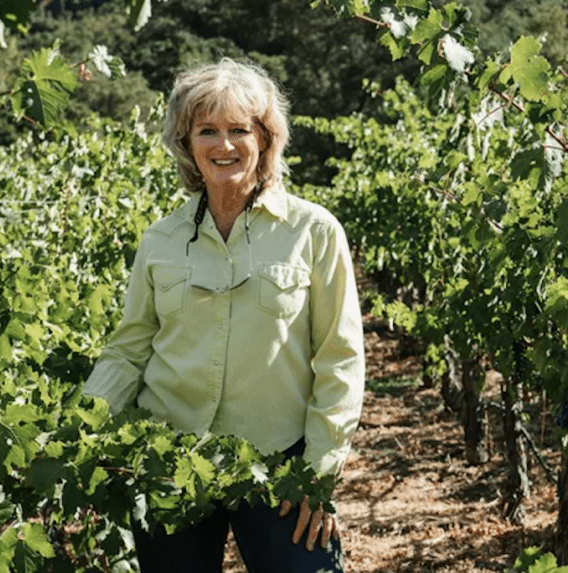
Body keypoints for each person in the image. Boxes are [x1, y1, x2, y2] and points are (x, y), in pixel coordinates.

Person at [82, 58, 365, 573]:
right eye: (207, 130)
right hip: (169, 461)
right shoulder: (161, 239)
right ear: (187, 143)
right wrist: (81, 429)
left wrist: (319, 472)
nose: (224, 144)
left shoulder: (314, 232)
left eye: (240, 130)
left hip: (280, 464)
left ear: (266, 139)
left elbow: (339, 358)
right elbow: (129, 350)